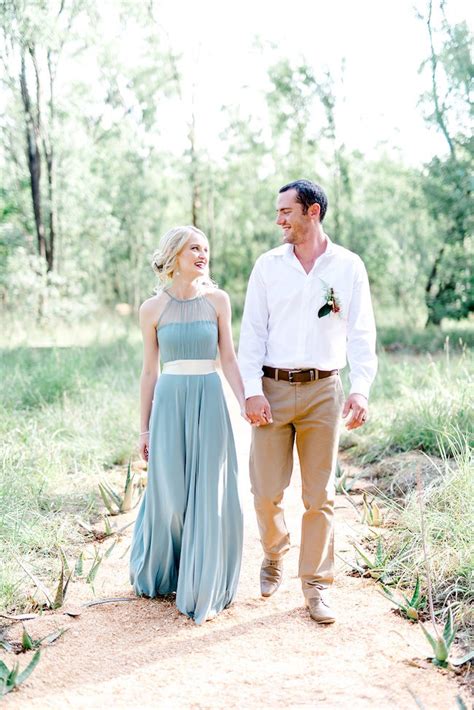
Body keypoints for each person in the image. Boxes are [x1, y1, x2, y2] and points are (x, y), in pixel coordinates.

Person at [238, 179, 377, 624]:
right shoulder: (268, 266)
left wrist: (361, 387)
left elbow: (361, 331)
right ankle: (274, 554)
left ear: (311, 211)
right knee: (264, 492)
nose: (279, 220)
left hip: (323, 390)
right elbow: (252, 332)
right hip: (272, 389)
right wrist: (252, 389)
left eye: (286, 211)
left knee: (320, 496)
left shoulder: (348, 266)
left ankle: (316, 585)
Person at [130, 225, 247, 624]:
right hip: (169, 403)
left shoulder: (218, 301)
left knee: (207, 493)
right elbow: (149, 372)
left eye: (206, 249)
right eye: (194, 248)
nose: (202, 254)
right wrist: (143, 429)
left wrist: (245, 400)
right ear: (175, 255)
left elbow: (228, 358)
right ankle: (166, 568)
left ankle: (201, 579)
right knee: (171, 494)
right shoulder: (152, 309)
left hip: (209, 400)